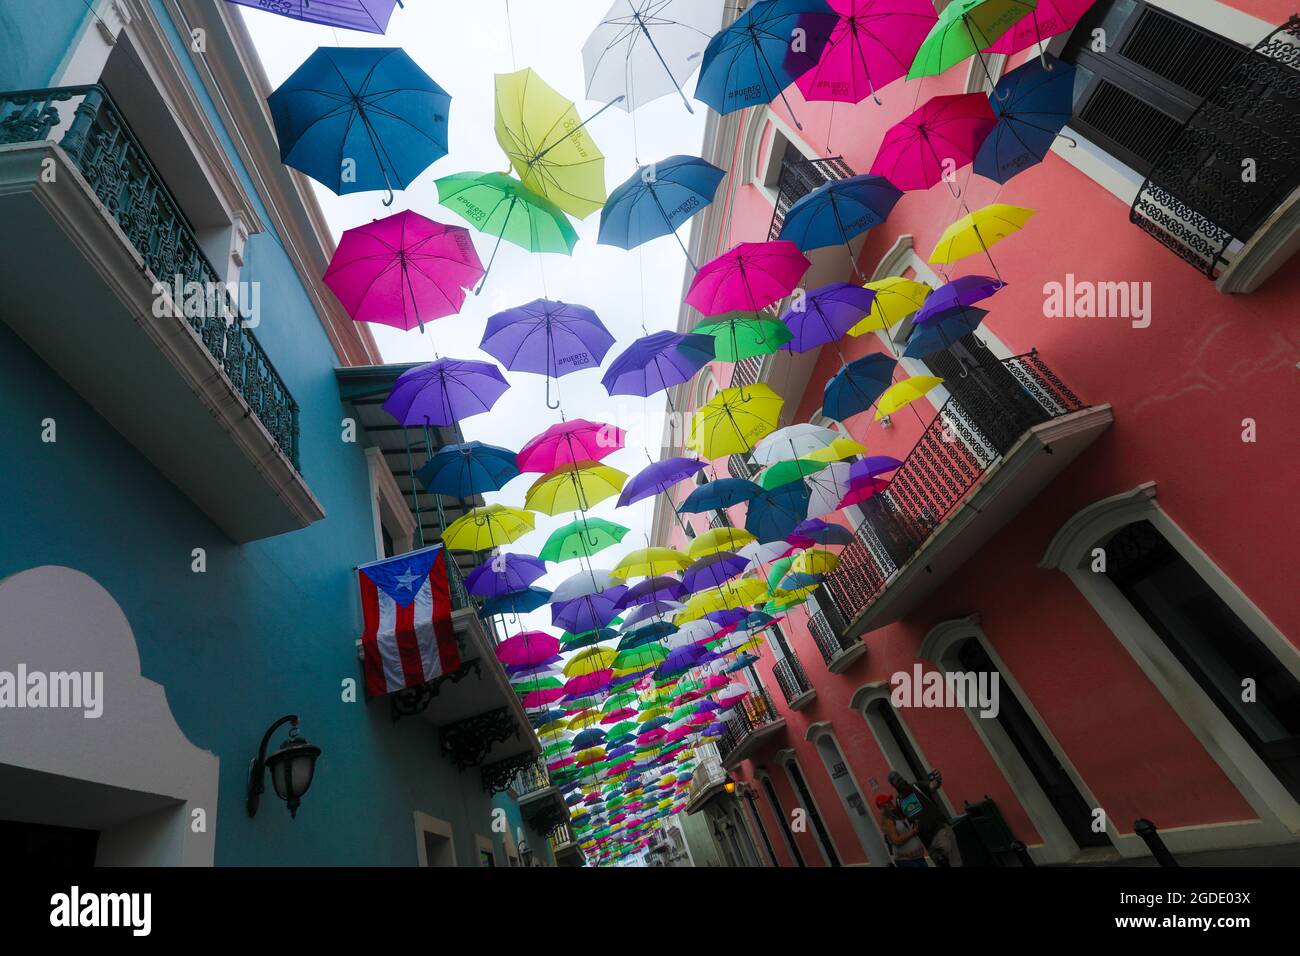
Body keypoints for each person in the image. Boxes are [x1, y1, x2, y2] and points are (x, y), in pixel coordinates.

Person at [888, 769, 962, 867]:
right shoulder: (899, 801)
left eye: (900, 778)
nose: (900, 781)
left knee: (955, 864)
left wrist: (937, 780)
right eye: (897, 781)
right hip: (927, 842)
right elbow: (904, 820)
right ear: (894, 786)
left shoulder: (917, 786)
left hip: (941, 832)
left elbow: (932, 786)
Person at [876, 793, 928, 868]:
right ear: (882, 807)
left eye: (890, 801)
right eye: (887, 803)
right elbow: (896, 840)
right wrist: (913, 832)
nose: (891, 803)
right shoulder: (888, 821)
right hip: (907, 862)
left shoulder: (897, 815)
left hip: (918, 859)